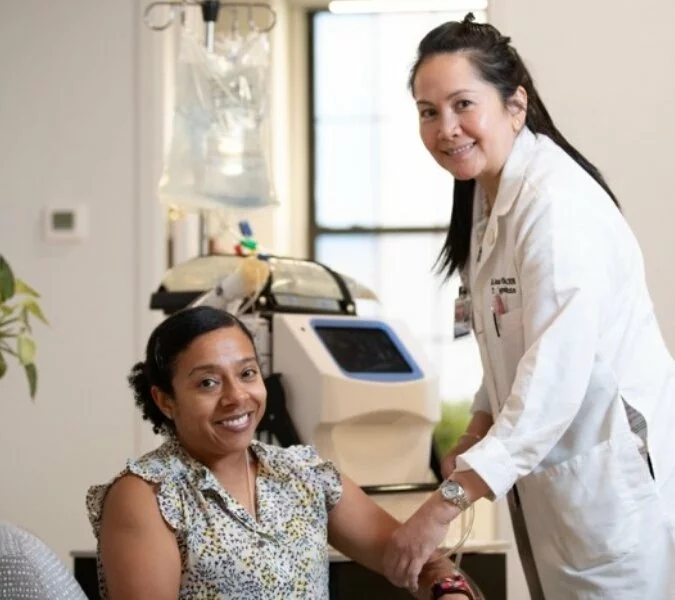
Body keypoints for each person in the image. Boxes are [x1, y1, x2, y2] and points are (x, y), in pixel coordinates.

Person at [382, 13, 675, 600]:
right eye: (428, 111)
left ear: (514, 105)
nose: (447, 128)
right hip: (558, 490)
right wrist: (479, 426)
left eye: (464, 104)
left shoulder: (555, 207)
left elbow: (555, 378)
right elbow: (507, 336)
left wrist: (443, 507)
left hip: (610, 492)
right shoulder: (489, 199)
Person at [86, 306, 473, 600]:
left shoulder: (303, 474)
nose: (236, 397)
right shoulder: (149, 495)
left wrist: (449, 588)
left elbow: (409, 555)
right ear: (165, 400)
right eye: (207, 383)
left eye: (247, 373)